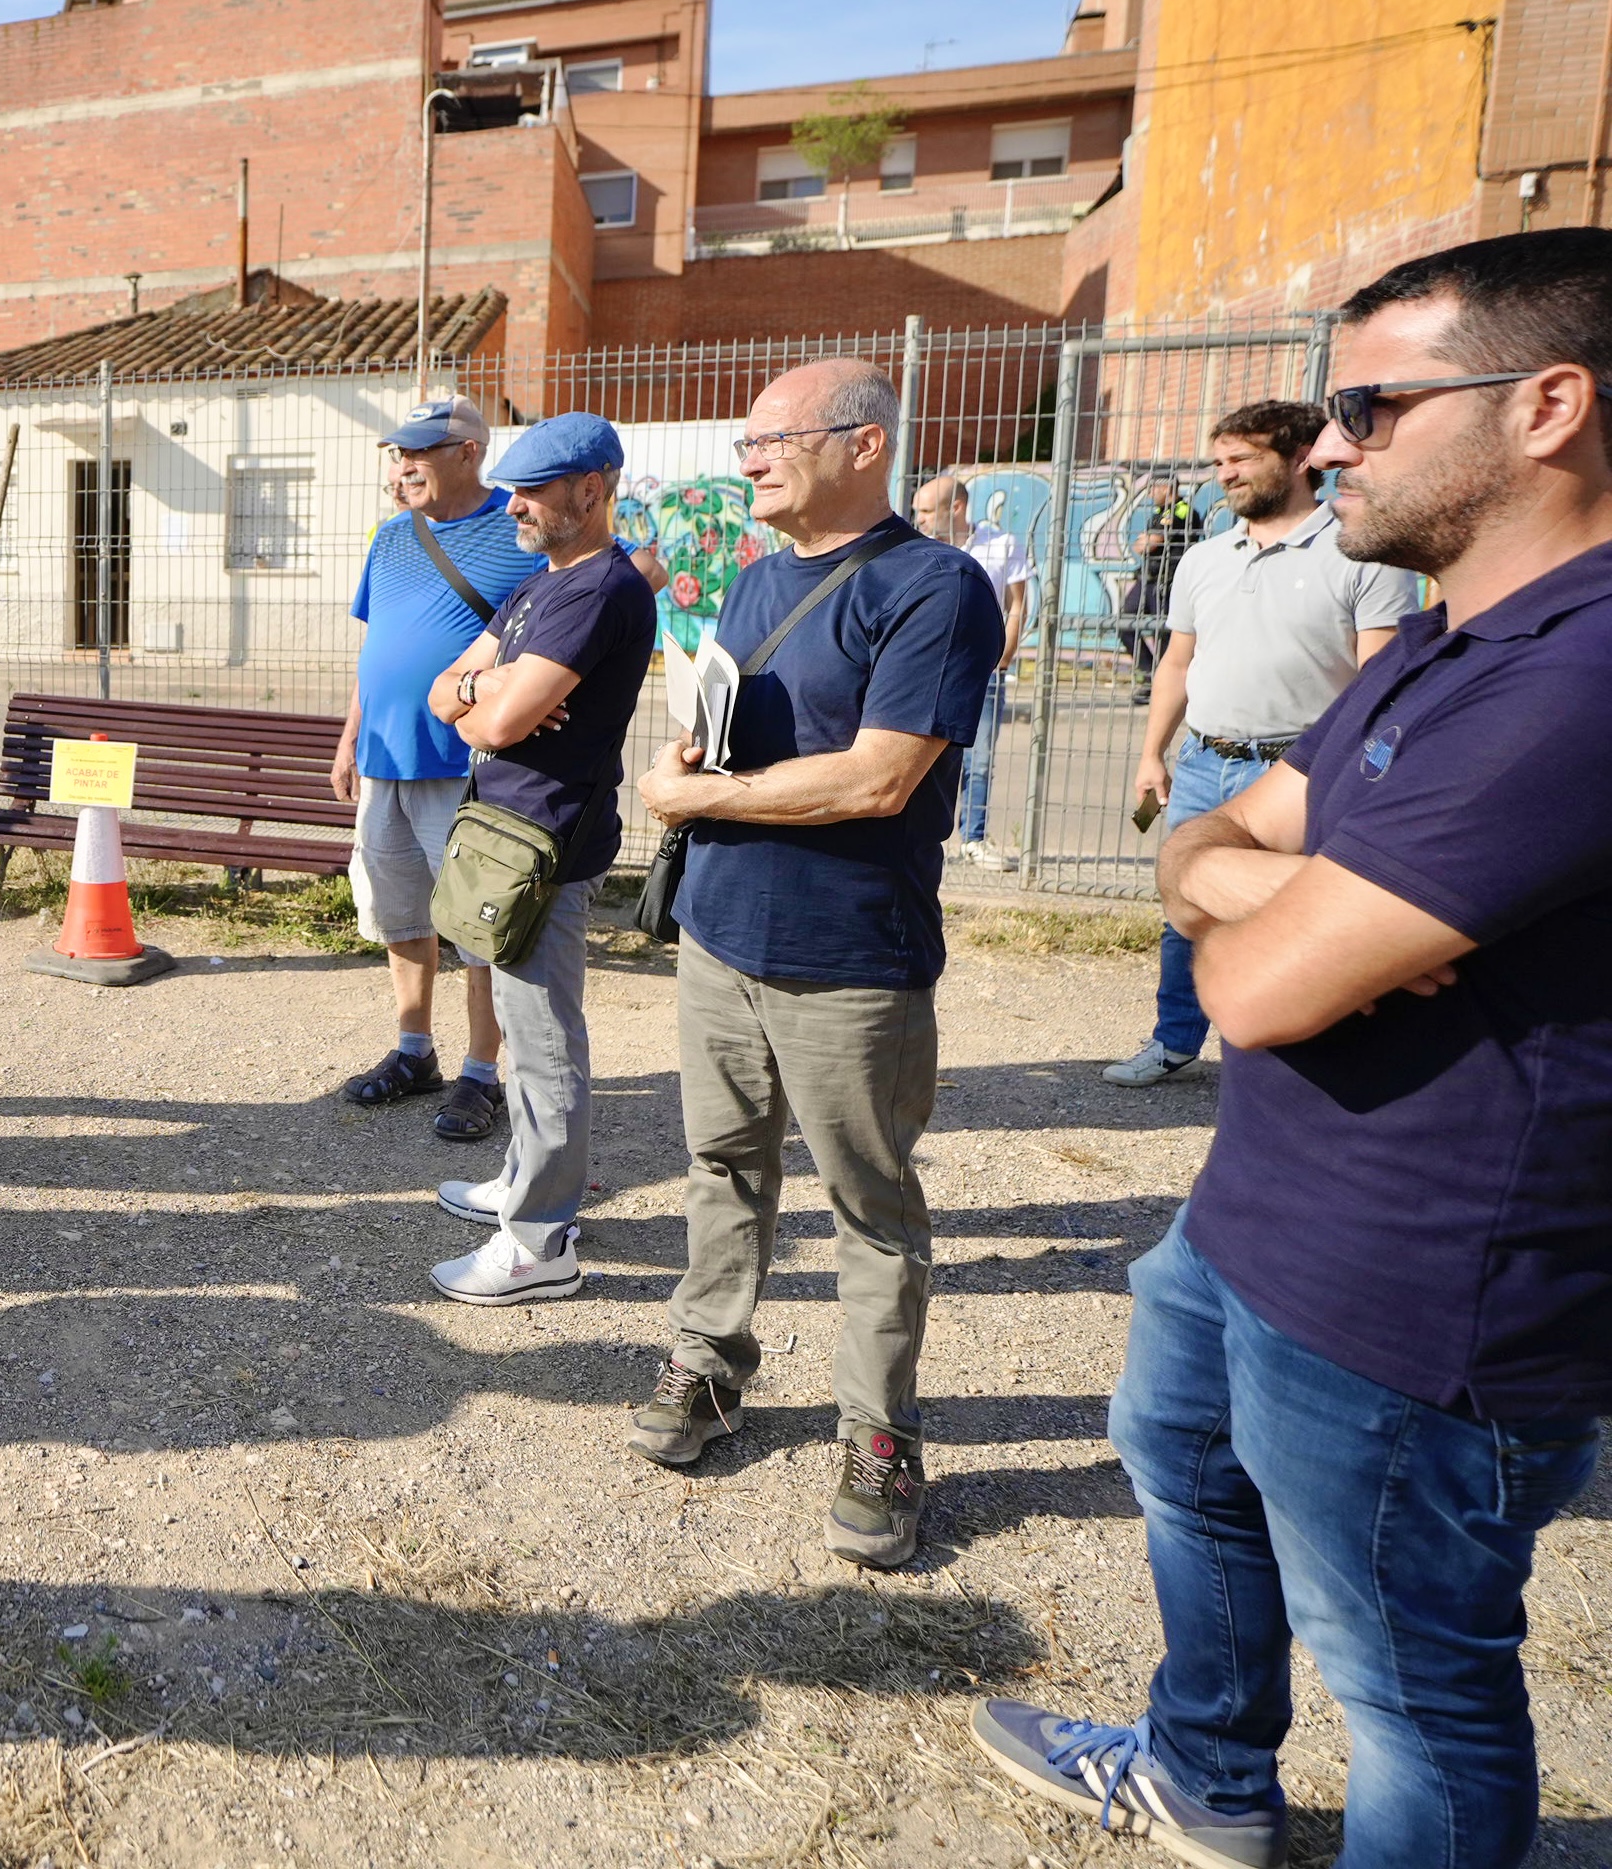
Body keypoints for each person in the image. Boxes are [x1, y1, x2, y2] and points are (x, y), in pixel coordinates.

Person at [973, 230, 1612, 1869]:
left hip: (1420, 1295)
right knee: (1179, 1470)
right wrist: (1293, 894)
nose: (1331, 441)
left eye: (1373, 404)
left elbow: (1250, 992)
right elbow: (1211, 847)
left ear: (1546, 406)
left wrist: (1272, 910)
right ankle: (1204, 1778)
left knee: (1408, 1685)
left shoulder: (1580, 679)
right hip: (1254, 1221)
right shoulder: (1429, 647)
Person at [629, 358, 1004, 1569]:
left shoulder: (932, 586)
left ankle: (878, 1434)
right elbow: (745, 728)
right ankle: (708, 1360)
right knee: (719, 1163)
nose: (747, 460)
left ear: (861, 443)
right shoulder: (749, 585)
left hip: (850, 953)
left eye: (771, 438)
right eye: (745, 442)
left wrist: (705, 791)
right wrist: (696, 751)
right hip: (721, 932)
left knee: (869, 1203)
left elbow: (879, 774)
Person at [420, 415, 658, 1304]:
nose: (513, 504)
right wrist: (484, 690)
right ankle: (523, 1181)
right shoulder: (539, 586)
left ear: (590, 490)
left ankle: (540, 1240)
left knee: (547, 1043)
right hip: (507, 837)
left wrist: (486, 702)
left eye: (533, 490)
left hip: (545, 848)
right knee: (524, 1033)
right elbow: (450, 690)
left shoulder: (600, 590)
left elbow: (504, 724)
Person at [1102, 401, 1410, 1088]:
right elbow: (1176, 664)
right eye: (1219, 462)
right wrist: (1153, 752)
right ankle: (1174, 1040)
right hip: (1204, 760)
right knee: (1185, 908)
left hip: (1298, 774)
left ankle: (1293, 1059)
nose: (1225, 474)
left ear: (1300, 458)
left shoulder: (1361, 550)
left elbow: (1379, 680)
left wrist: (1354, 772)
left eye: (1242, 459)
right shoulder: (1205, 560)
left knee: (1296, 914)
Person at [334, 396, 529, 1142]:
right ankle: (415, 1050)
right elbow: (375, 647)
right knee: (401, 916)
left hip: (466, 764)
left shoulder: (520, 525)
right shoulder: (390, 538)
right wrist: (350, 737)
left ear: (468, 452)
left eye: (416, 451)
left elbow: (625, 572)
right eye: (395, 452)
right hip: (385, 761)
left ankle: (483, 1073)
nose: (401, 465)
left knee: (478, 925)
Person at [910, 471, 1034, 869]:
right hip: (927, 671)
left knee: (979, 760)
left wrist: (1005, 652)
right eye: (918, 512)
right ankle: (919, 835)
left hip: (982, 672)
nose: (921, 520)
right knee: (918, 756)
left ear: (957, 508)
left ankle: (974, 838)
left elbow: (1017, 604)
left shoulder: (1001, 544)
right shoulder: (915, 548)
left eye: (928, 511)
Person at [1125, 472, 1205, 684]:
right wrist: (1145, 541)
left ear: (1165, 488)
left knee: (1165, 634)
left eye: (1153, 489)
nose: (1150, 494)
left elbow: (1148, 544)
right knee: (1125, 622)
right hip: (1149, 578)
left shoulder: (1180, 511)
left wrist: (1146, 540)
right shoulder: (1160, 512)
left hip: (1166, 581)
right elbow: (1142, 545)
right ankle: (1150, 672)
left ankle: (1164, 682)